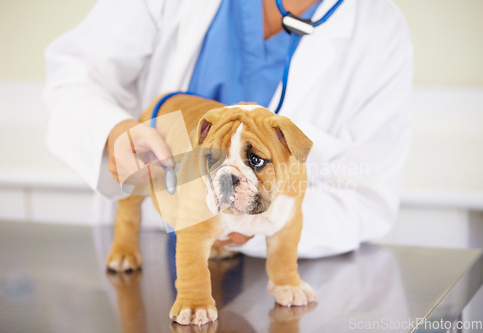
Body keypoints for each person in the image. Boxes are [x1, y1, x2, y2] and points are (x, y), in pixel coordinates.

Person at [43, 0, 413, 258]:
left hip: (272, 268)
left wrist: (254, 225)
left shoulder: (379, 31)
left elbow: (364, 199)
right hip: (149, 245)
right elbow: (76, 75)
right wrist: (113, 131)